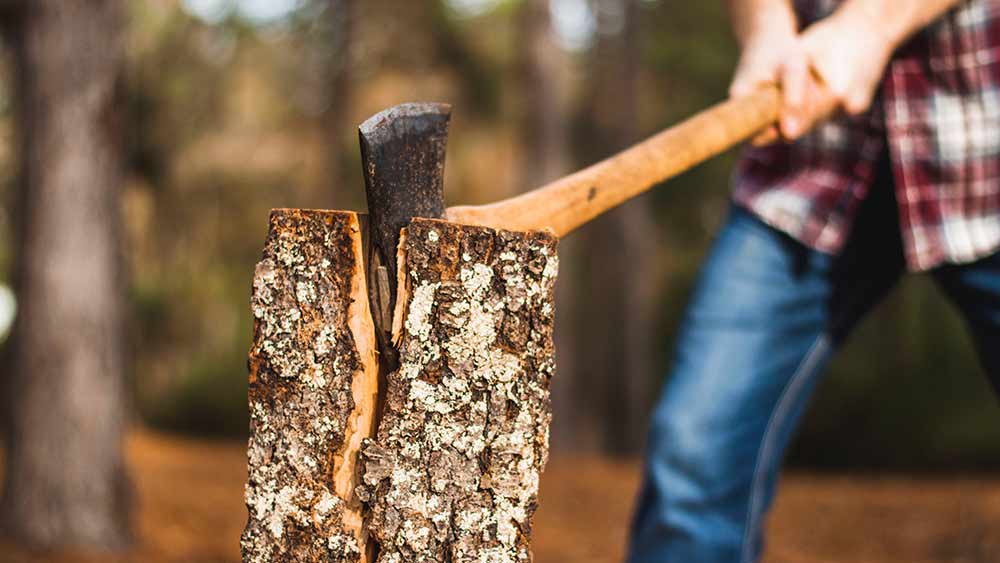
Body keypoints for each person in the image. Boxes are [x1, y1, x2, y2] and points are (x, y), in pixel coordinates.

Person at [627, 0, 1000, 561]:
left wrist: (870, 24)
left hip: (982, 151)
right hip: (808, 169)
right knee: (694, 457)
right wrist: (765, 27)